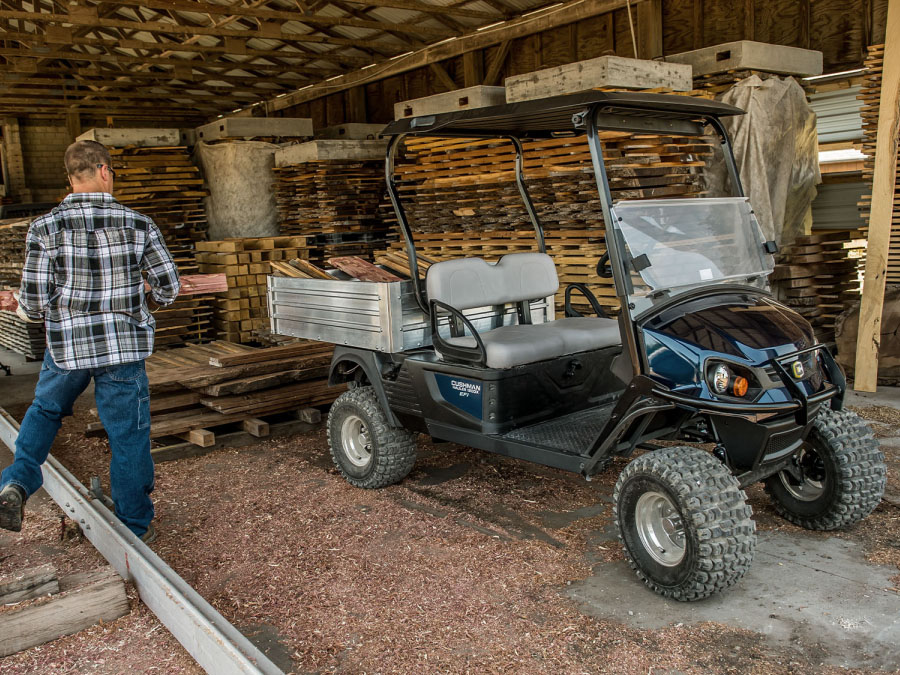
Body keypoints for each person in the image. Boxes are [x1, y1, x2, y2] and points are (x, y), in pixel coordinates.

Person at [0, 140, 180, 542]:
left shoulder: (44, 227)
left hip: (68, 348)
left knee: (45, 411)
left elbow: (33, 301)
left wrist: (30, 302)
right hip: (124, 348)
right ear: (104, 171)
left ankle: (15, 483)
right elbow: (169, 288)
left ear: (70, 178)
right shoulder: (139, 224)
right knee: (128, 436)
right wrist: (143, 295)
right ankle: (135, 526)